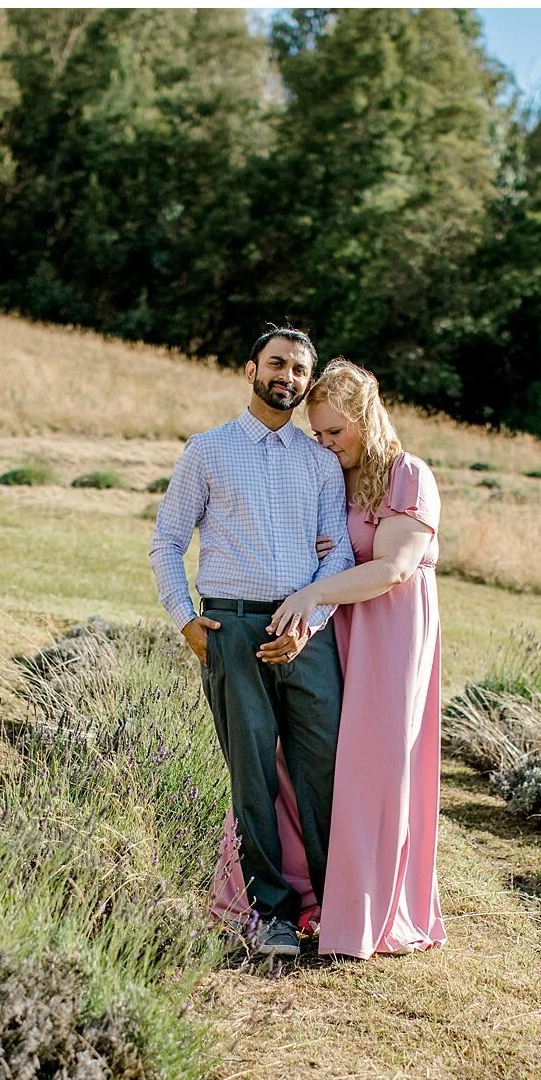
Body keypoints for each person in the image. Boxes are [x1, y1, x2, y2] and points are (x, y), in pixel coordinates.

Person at [211, 358, 447, 960]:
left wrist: (315, 590)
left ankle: (364, 913)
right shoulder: (333, 476)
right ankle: (295, 897)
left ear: (366, 419)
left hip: (389, 640)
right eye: (317, 432)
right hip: (334, 634)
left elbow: (393, 568)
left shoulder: (408, 476)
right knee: (308, 761)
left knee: (374, 770)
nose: (325, 443)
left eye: (335, 431)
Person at [149, 327, 355, 959]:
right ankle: (269, 913)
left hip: (305, 635)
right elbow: (166, 542)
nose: (287, 377)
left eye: (298, 370)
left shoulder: (320, 462)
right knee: (253, 775)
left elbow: (339, 555)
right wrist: (186, 619)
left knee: (324, 769)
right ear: (250, 370)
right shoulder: (207, 451)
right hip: (232, 632)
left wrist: (308, 623)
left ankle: (336, 908)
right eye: (276, 364)